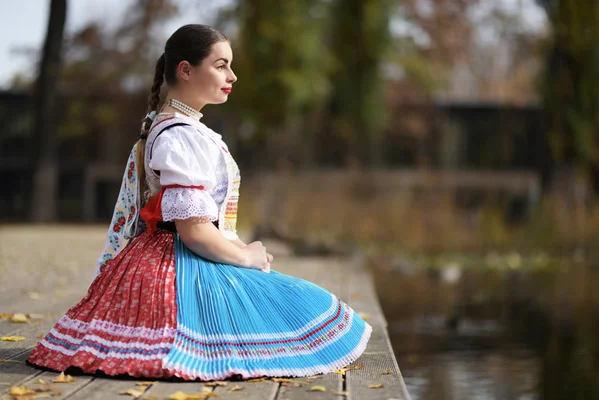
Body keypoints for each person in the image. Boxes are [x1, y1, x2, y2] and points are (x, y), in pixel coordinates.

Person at [27, 24, 372, 380]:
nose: (232, 75)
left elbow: (208, 221)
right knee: (304, 306)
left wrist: (243, 248)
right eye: (221, 65)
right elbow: (192, 231)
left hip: (171, 254)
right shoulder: (179, 136)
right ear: (186, 70)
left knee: (298, 304)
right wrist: (244, 257)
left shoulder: (177, 128)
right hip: (174, 264)